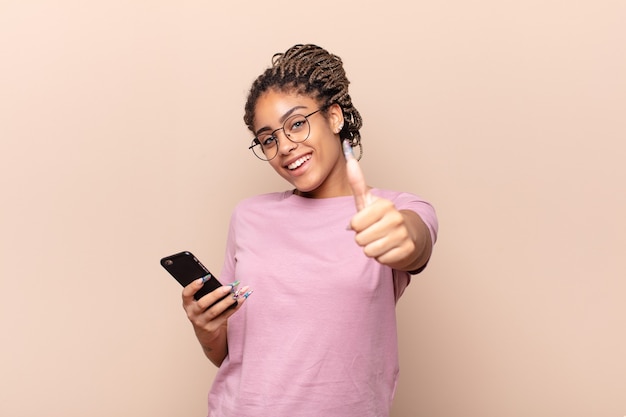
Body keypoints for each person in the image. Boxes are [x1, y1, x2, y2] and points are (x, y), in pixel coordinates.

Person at [181, 44, 438, 417]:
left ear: (334, 117)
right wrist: (206, 330)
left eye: (297, 123)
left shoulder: (398, 209)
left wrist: (403, 237)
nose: (284, 146)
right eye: (268, 138)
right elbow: (229, 353)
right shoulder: (248, 216)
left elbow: (416, 243)